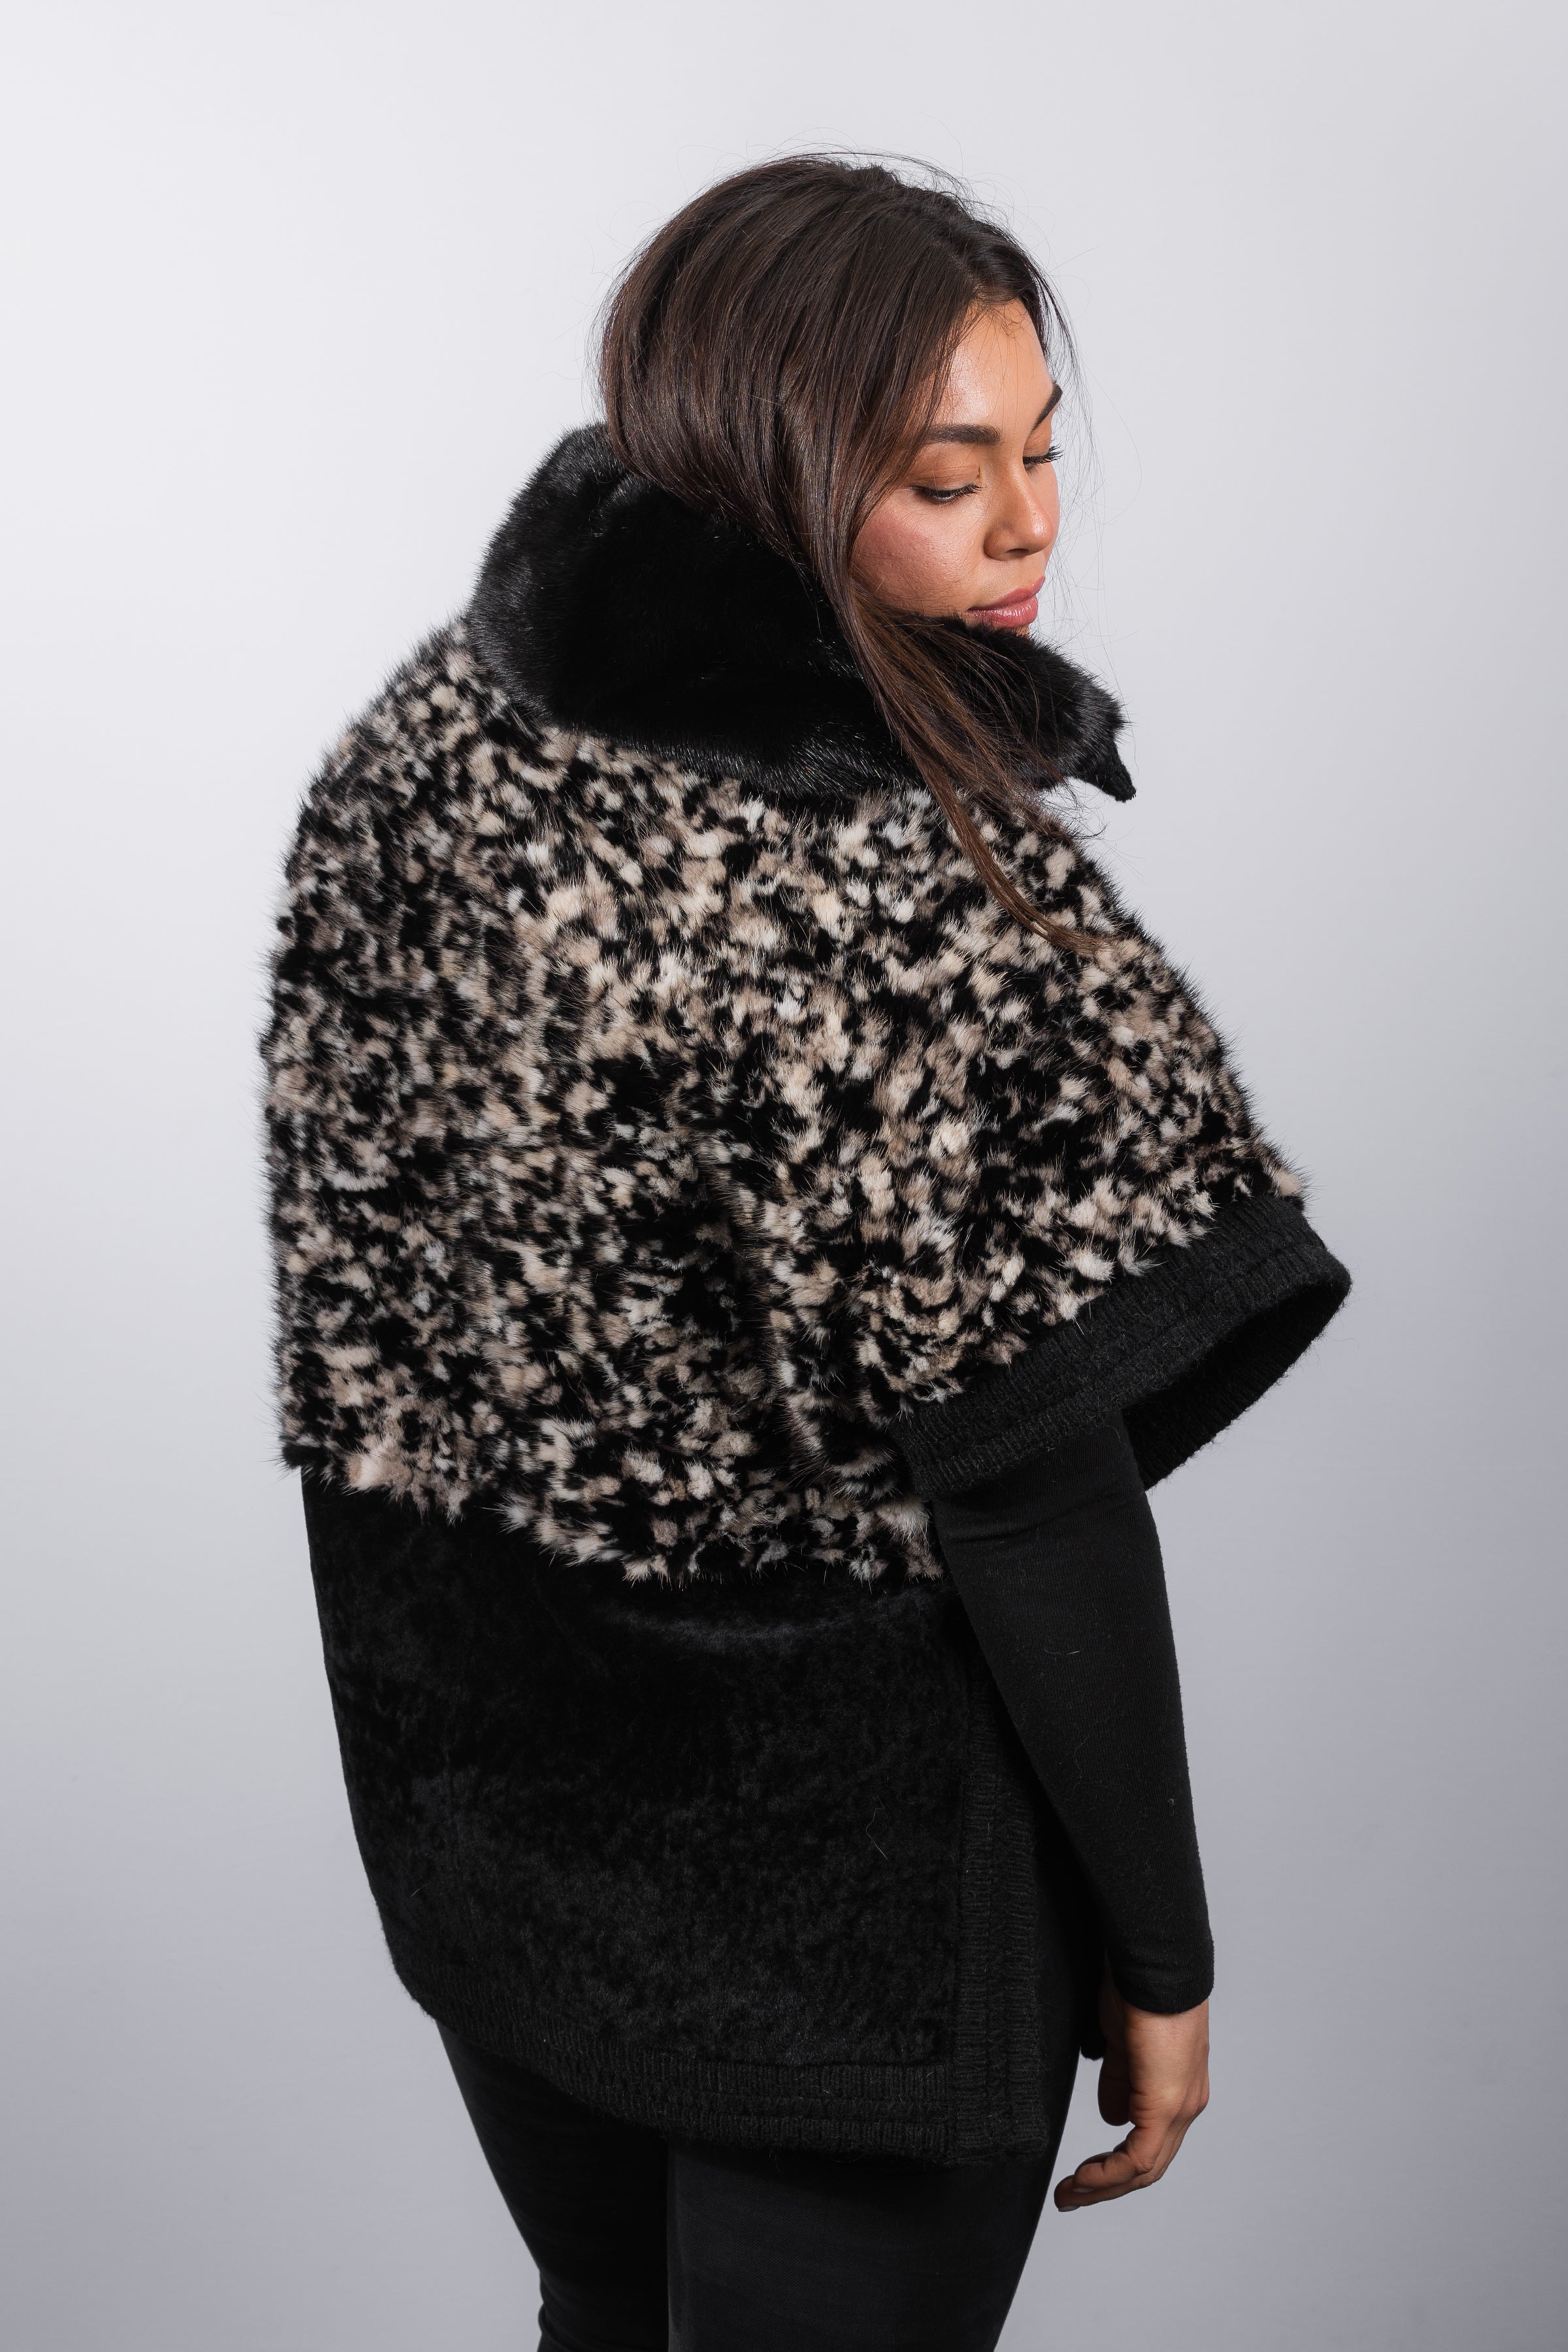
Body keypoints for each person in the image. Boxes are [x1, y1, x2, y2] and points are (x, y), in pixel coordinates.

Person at [263, 155, 1350, 2352]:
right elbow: (1031, 1477)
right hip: (853, 1904)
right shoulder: (879, 878)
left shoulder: (429, 750)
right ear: (768, 469)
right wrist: (1162, 1954)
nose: (1029, 529)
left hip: (511, 1846)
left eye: (1042, 453)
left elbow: (381, 1335)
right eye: (950, 479)